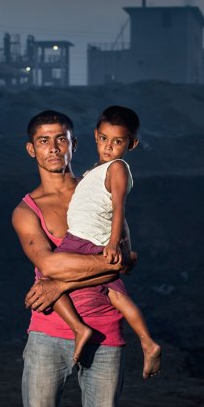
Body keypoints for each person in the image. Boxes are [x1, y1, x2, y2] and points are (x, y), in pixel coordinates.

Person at [4, 110, 139, 407]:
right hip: (48, 335)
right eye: (44, 141)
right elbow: (56, 263)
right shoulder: (27, 210)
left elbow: (131, 255)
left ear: (74, 143)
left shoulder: (99, 185)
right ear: (32, 149)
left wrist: (61, 281)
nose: (53, 148)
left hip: (106, 334)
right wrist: (101, 266)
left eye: (61, 139)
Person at [50, 105, 161, 379]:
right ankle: (148, 342)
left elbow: (119, 208)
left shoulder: (118, 168)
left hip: (86, 241)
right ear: (96, 135)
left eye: (118, 142)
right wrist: (124, 245)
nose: (108, 147)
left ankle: (79, 328)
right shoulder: (96, 171)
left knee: (47, 275)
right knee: (115, 293)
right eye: (104, 139)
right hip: (87, 238)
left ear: (131, 144)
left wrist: (113, 243)